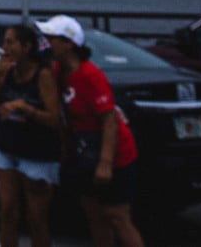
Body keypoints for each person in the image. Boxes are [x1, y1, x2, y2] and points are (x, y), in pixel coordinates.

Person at [39, 14, 144, 247]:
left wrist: (105, 163)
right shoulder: (57, 72)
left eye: (52, 38)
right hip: (84, 152)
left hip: (115, 154)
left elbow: (109, 120)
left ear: (68, 44)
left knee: (117, 216)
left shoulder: (90, 75)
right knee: (94, 213)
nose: (47, 43)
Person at [0, 23, 61, 247]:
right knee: (7, 210)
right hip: (7, 146)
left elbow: (53, 118)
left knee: (36, 218)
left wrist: (26, 109)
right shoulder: (7, 71)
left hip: (36, 152)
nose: (4, 48)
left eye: (10, 42)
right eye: (4, 42)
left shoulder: (42, 76)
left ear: (26, 47)